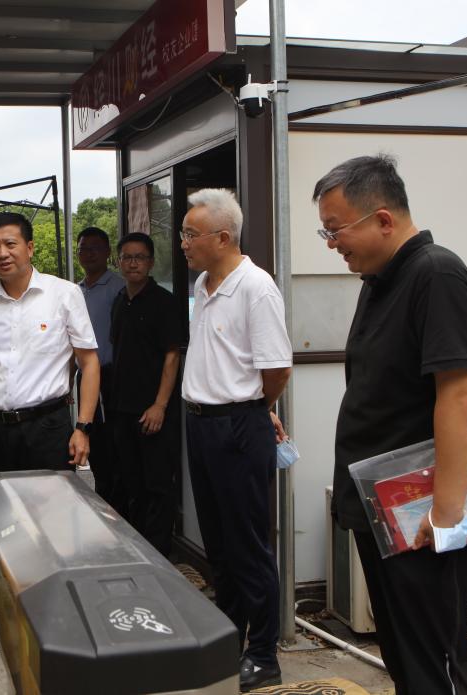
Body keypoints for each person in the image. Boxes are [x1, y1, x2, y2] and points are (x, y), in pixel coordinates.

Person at [315, 155, 467, 695]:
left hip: (423, 516)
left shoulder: (436, 274)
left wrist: (446, 513)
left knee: (434, 660)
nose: (331, 243)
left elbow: (462, 394)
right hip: (386, 513)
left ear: (384, 220)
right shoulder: (379, 279)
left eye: (335, 230)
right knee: (405, 656)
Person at [0, 211, 99, 655]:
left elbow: (89, 361)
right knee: (0, 530)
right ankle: (7, 626)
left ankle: (56, 621)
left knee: (54, 526)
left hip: (49, 426)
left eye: (10, 244)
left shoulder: (63, 294)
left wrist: (83, 426)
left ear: (30, 247)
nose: (2, 253)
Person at [180, 189, 291, 691]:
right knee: (219, 545)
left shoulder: (255, 287)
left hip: (239, 425)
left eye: (191, 234)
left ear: (223, 237)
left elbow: (277, 369)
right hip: (202, 424)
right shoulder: (204, 284)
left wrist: (258, 410)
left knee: (248, 545)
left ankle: (263, 653)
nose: (183, 243)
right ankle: (230, 638)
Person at [108, 232, 181, 556]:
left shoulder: (164, 302)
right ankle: (137, 552)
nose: (133, 263)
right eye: (127, 257)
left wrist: (160, 405)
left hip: (154, 411)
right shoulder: (119, 301)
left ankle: (160, 556)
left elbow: (172, 355)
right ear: (118, 261)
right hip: (122, 409)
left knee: (158, 486)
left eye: (140, 257)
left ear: (151, 262)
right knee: (130, 482)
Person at [76, 226, 126, 503]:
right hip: (84, 378)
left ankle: (115, 507)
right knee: (92, 443)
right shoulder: (75, 292)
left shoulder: (119, 288)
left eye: (95, 248)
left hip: (112, 378)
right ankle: (103, 499)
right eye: (83, 249)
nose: (89, 254)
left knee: (114, 449)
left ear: (107, 252)